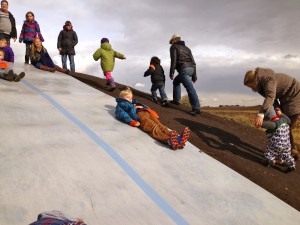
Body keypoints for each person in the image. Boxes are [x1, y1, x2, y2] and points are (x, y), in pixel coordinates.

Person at [244, 67, 300, 160]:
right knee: (283, 126)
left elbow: (270, 96)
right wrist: (278, 109)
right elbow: (272, 100)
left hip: (295, 95)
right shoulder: (260, 87)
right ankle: (290, 151)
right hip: (285, 98)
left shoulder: (269, 80)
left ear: (255, 80)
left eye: (251, 86)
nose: (251, 88)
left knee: (284, 128)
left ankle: (286, 155)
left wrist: (261, 114)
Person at [115, 87, 190, 150]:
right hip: (140, 116)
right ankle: (168, 140)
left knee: (160, 125)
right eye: (128, 98)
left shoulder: (134, 102)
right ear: (121, 98)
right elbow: (122, 114)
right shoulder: (121, 105)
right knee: (153, 127)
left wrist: (140, 106)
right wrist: (131, 121)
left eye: (131, 98)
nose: (130, 99)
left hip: (147, 112)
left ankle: (178, 139)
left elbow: (139, 104)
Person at [169, 34, 201, 115]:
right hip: (191, 69)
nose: (171, 43)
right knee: (176, 81)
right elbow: (193, 62)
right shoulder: (187, 49)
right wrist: (194, 75)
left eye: (172, 41)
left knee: (189, 88)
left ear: (174, 40)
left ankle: (196, 108)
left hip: (184, 69)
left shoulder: (174, 47)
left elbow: (174, 60)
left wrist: (171, 72)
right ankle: (176, 100)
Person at [261, 107, 296, 172]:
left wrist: (260, 122)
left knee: (269, 152)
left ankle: (270, 161)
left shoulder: (274, 124)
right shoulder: (284, 119)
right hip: (287, 144)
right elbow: (289, 120)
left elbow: (264, 125)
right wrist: (281, 114)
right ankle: (291, 165)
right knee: (286, 155)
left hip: (276, 145)